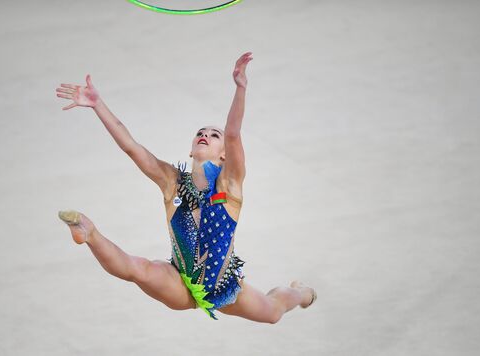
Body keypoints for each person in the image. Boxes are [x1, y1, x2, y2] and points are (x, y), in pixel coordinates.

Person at [55, 52, 316, 323]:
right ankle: (90, 233)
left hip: (223, 287)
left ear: (224, 154)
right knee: (138, 270)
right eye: (201, 132)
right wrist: (98, 105)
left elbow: (233, 133)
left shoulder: (229, 186)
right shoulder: (172, 182)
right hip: (179, 280)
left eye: (214, 135)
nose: (205, 135)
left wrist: (240, 89)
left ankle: (300, 292)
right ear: (191, 150)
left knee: (273, 312)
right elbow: (132, 147)